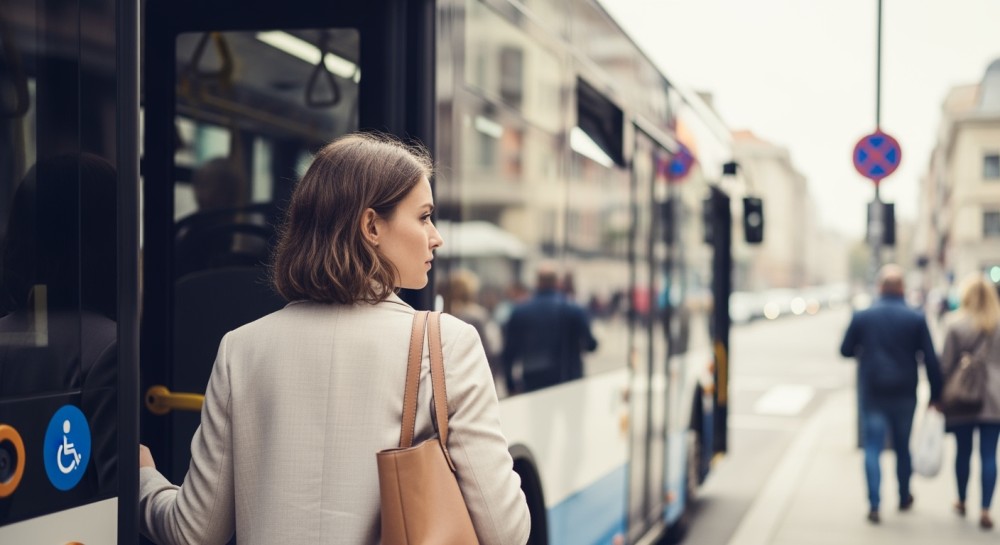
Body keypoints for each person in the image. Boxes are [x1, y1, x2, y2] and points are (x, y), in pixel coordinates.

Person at [138, 133, 531, 545]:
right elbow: (507, 531)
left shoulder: (241, 348)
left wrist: (144, 479)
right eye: (423, 216)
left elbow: (194, 532)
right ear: (371, 226)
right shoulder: (446, 343)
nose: (436, 236)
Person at [840, 264, 944, 524]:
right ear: (902, 289)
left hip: (873, 390)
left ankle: (874, 504)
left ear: (879, 287)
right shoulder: (916, 317)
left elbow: (845, 349)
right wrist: (936, 393)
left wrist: (864, 351)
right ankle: (903, 494)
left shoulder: (863, 316)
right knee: (901, 447)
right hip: (904, 392)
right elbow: (931, 360)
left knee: (873, 447)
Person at [939, 273, 1000, 530]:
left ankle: (962, 500)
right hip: (995, 398)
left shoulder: (955, 324)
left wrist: (938, 396)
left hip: (962, 395)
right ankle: (986, 509)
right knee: (989, 455)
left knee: (962, 452)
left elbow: (945, 365)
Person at [501, 264, 598, 394]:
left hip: (534, 378)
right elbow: (591, 345)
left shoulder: (520, 311)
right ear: (558, 282)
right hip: (569, 378)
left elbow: (509, 351)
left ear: (537, 282)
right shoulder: (574, 309)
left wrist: (510, 383)